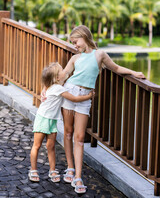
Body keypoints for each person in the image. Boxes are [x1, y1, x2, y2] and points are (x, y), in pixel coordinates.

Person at [56, 25, 145, 194]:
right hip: (69, 93)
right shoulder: (76, 58)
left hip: (85, 98)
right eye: (73, 43)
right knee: (68, 132)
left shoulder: (100, 55)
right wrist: (49, 87)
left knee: (80, 137)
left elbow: (116, 68)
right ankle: (70, 167)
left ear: (85, 37)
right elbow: (64, 75)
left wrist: (134, 72)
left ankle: (78, 176)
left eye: (76, 42)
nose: (75, 46)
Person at [29, 62, 94, 183]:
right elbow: (74, 98)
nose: (65, 71)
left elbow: (48, 82)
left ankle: (52, 170)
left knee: (51, 146)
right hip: (43, 118)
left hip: (52, 120)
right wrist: (88, 96)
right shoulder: (58, 88)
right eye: (62, 70)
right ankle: (33, 169)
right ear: (57, 77)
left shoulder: (56, 85)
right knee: (37, 145)